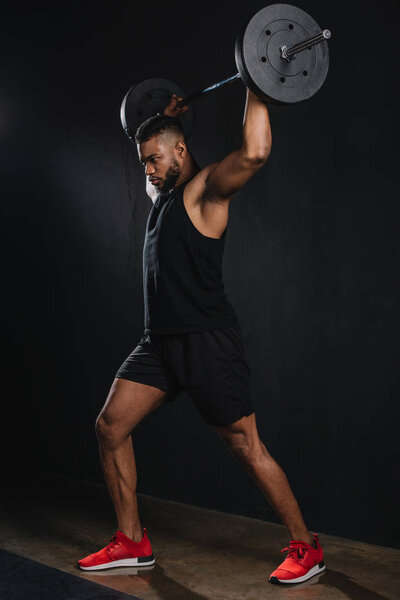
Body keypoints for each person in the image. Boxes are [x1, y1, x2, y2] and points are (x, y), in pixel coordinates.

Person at [77, 88, 325, 585]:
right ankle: (131, 542)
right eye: (144, 161)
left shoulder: (208, 190)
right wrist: (163, 119)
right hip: (159, 344)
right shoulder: (163, 195)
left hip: (207, 341)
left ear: (180, 153)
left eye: (153, 160)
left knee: (246, 447)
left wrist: (258, 88)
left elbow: (254, 152)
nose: (147, 170)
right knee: (109, 428)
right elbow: (157, 169)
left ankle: (307, 547)